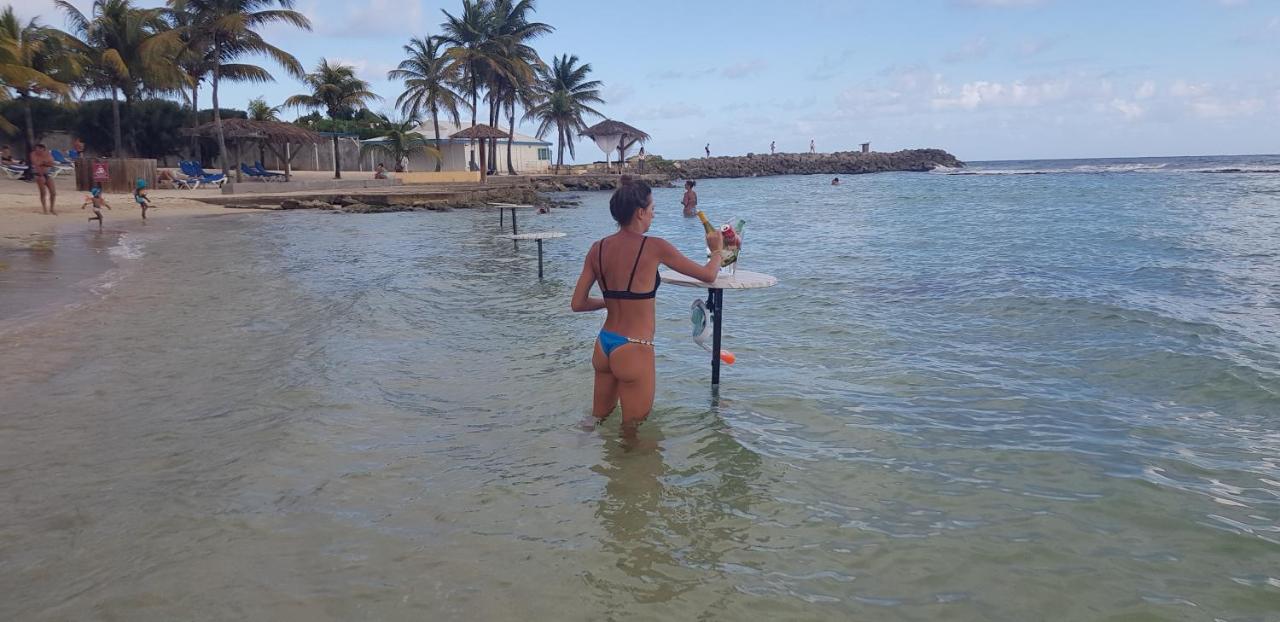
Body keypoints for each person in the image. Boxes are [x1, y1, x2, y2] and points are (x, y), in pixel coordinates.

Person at [571, 176, 724, 437]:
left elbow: (578, 304)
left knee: (595, 420)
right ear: (640, 212)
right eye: (652, 210)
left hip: (604, 344)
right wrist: (717, 249)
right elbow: (709, 275)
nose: (653, 216)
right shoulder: (655, 247)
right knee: (633, 433)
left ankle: (578, 461)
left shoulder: (597, 249)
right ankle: (629, 476)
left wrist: (609, 303)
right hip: (635, 347)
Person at [31, 144, 57, 215]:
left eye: (39, 149)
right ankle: (45, 209)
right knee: (43, 193)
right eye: (36, 149)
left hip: (47, 174)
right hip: (39, 175)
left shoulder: (47, 154)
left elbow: (52, 163)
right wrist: (45, 162)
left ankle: (51, 208)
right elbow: (36, 163)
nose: (37, 151)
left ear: (43, 149)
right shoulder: (33, 154)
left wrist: (43, 162)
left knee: (53, 193)